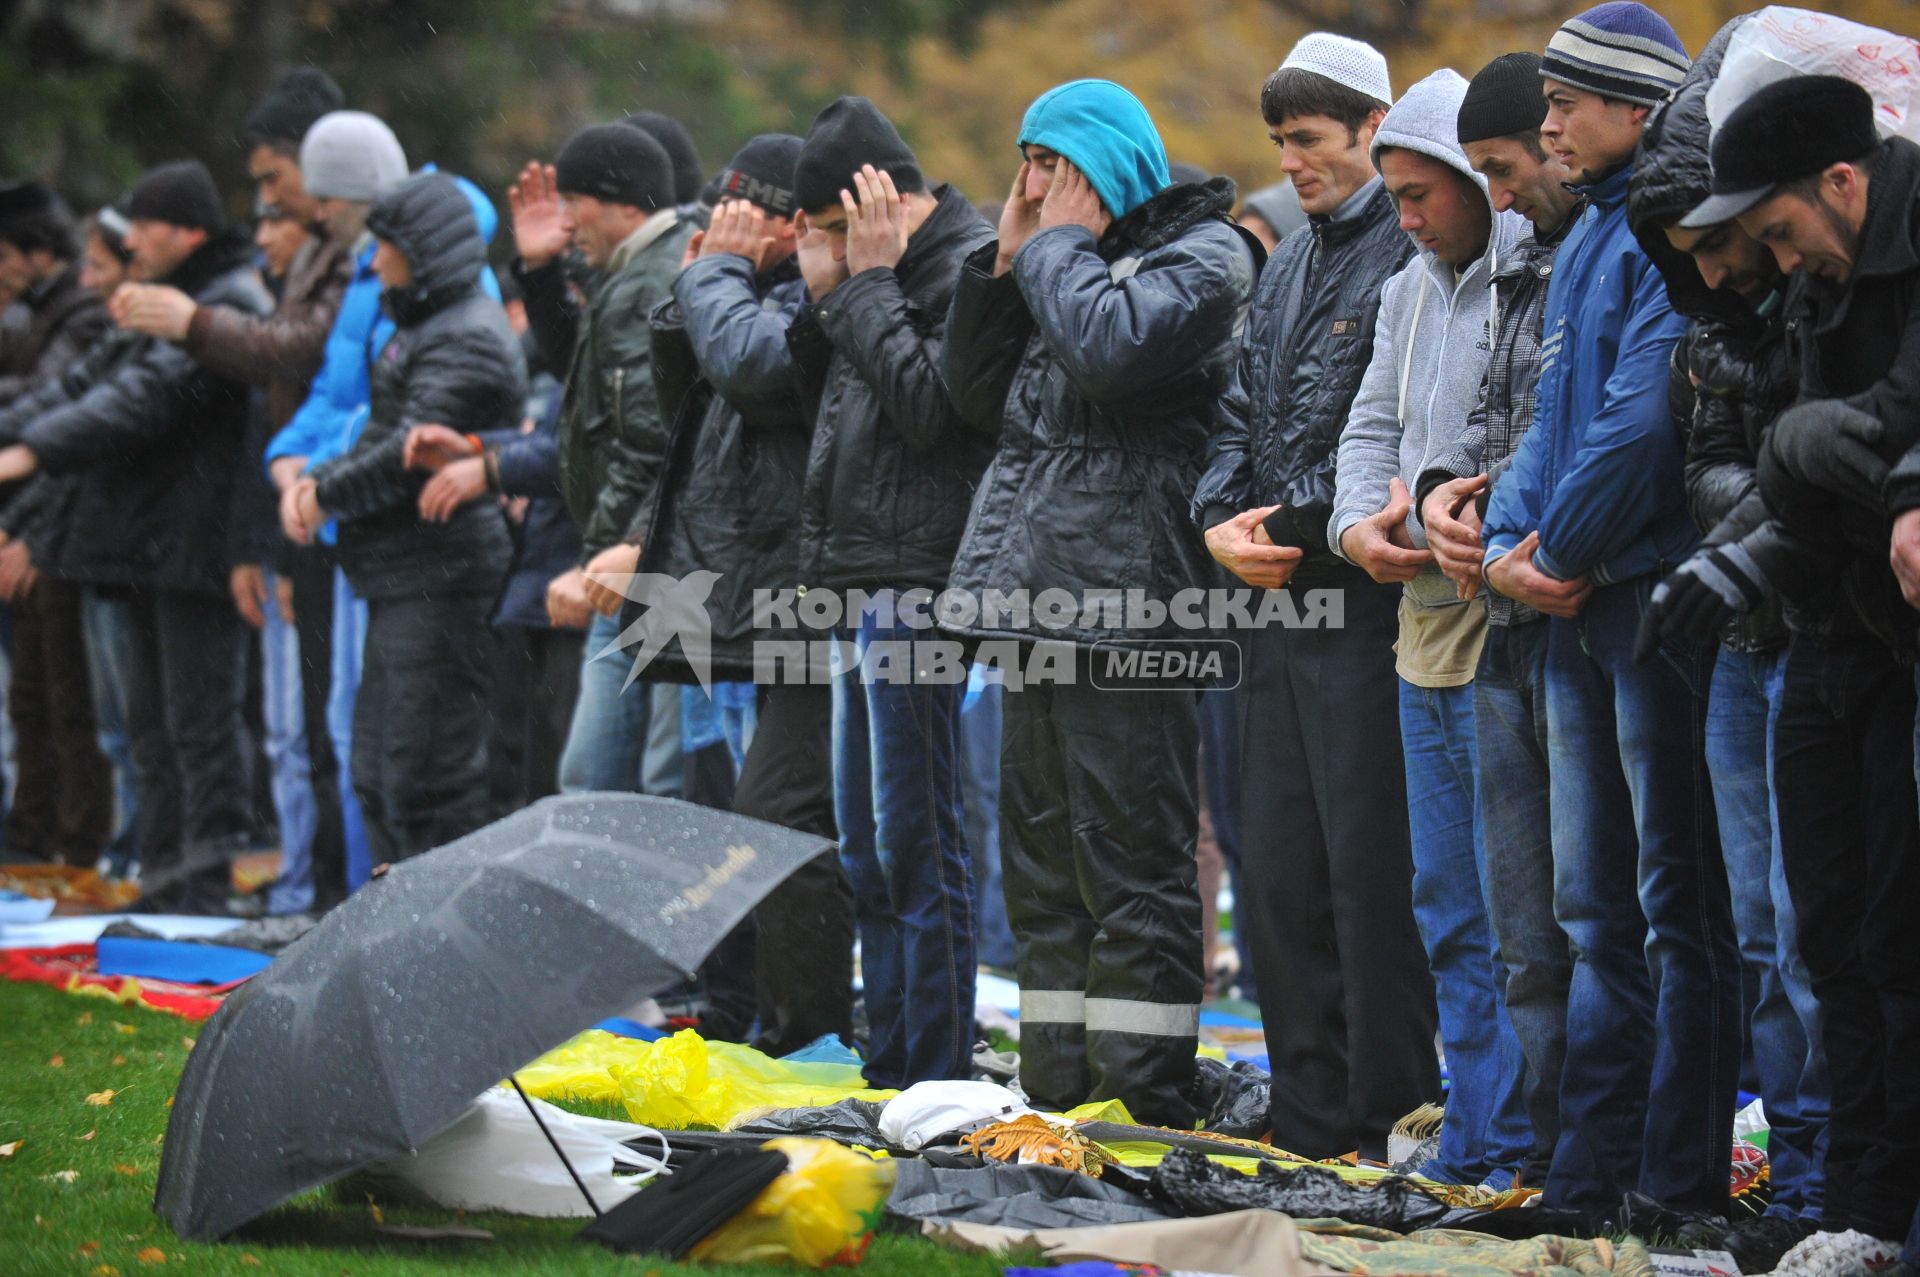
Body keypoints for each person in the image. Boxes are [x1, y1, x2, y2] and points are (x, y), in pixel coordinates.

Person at [941, 79, 1257, 1124]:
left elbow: (1114, 356)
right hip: (1034, 603)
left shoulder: (1202, 256)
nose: (1031, 184)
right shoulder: (1053, 260)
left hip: (1132, 607)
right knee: (1041, 865)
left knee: (1134, 862)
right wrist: (1004, 263)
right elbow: (975, 399)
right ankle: (1057, 1090)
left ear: (1108, 167)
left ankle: (1144, 1095)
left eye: (1052, 163)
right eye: (1024, 160)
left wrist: (1055, 253)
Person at [1478, 4, 1736, 1220]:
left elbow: (1646, 416)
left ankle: (1674, 1181)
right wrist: (1499, 549)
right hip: (1576, 597)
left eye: (1570, 102)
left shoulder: (1661, 222)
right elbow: (1547, 416)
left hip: (1648, 600)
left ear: (1636, 106)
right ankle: (1590, 1178)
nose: (1550, 124)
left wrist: (1552, 552)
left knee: (1674, 905)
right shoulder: (1586, 230)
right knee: (1594, 910)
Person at [1675, 73, 1920, 1270]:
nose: (1777, 261)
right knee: (1827, 937)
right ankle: (1860, 1214)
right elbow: (1813, 469)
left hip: (1903, 643)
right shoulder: (1826, 281)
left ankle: (1893, 1213)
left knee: (1896, 938)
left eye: (1777, 231)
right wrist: (1741, 566)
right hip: (1834, 627)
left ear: (1843, 182)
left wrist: (1820, 449)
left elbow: (1871, 431)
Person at [1194, 32, 1437, 1162]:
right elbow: (1234, 414)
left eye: (1308, 140)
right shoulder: (1287, 260)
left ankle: (1386, 1113)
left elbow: (1371, 436)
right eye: (1280, 143)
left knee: (1367, 875)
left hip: (1363, 606)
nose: (1289, 162)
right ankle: (1305, 1117)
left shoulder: (1412, 248)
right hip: (1270, 604)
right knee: (1278, 876)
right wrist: (1215, 522)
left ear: (1372, 131)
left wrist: (1274, 527)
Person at [1624, 33, 1828, 1269]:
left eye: (1711, 242)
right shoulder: (1707, 313)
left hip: (1814, 626)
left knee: (1815, 933)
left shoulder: (1820, 288)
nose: (1702, 271)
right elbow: (1705, 446)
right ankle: (1800, 1176)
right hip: (1742, 630)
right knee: (1760, 931)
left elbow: (1824, 447)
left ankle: (1839, 1177)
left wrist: (1749, 527)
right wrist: (1744, 521)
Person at [1328, 67, 1532, 1189]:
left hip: (1504, 619)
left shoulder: (1528, 273)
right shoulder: (1408, 289)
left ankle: (1525, 1138)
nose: (1404, 219)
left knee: (1518, 909)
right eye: (1394, 196)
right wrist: (1362, 525)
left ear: (1474, 179)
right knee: (1444, 899)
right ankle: (1480, 1135)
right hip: (1418, 619)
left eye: (1420, 195)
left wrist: (1472, 505)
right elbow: (1369, 426)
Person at [622, 133, 858, 1056]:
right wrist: (699, 287)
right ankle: (767, 1021)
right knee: (749, 820)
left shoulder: (818, 286)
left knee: (783, 820)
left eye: (740, 211)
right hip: (745, 597)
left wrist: (715, 277)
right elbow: (682, 395)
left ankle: (810, 1039)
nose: (722, 226)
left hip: (814, 596)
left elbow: (765, 372)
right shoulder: (742, 286)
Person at [783, 95, 992, 1088]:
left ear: (882, 199)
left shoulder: (966, 264)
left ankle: (938, 1069)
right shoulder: (870, 275)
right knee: (866, 847)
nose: (830, 246)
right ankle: (892, 1058)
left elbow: (931, 417)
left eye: (833, 226)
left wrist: (861, 285)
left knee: (920, 842)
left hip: (922, 583)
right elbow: (803, 406)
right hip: (858, 580)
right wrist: (829, 289)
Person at [0, 160, 273, 914]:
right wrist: (14, 435)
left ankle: (205, 889)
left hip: (196, 551)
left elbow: (144, 398)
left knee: (199, 730)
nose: (131, 239)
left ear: (186, 230)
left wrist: (31, 452)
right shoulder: (173, 298)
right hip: (146, 547)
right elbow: (84, 386)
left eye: (144, 225)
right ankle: (163, 880)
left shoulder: (223, 305)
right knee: (151, 734)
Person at [115, 66, 352, 915]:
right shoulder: (302, 267)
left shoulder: (313, 271)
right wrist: (262, 534)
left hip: (327, 529)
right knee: (289, 736)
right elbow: (280, 417)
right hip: (282, 524)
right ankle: (292, 890)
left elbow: (292, 364)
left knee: (327, 736)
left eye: (272, 190)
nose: (266, 221)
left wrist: (193, 325)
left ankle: (317, 893)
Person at [1416, 49, 1585, 1190]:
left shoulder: (1591, 257)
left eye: (1504, 167)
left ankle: (1592, 1159)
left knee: (1606, 918)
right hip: (1494, 610)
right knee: (1505, 917)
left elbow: (1613, 425)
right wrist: (1436, 494)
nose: (1509, 191)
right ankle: (1513, 1149)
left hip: (1576, 608)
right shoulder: (1519, 272)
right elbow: (1465, 422)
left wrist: (1527, 532)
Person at [290, 171, 524, 862]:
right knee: (378, 769)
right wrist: (321, 479)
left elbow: (409, 449)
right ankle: (398, 938)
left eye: (384, 245)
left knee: (426, 776)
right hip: (403, 576)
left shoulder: (466, 336)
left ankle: (440, 949)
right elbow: (385, 429)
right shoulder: (416, 324)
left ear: (420, 250)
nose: (372, 260)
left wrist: (324, 493)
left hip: (442, 576)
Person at [508, 122, 694, 799]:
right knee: (615, 781)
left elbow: (657, 443)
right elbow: (588, 393)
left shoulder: (652, 282)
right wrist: (539, 272)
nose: (564, 221)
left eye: (574, 201)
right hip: (638, 557)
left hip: (652, 568)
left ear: (623, 202)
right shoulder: (627, 276)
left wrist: (614, 553)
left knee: (618, 783)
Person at [262, 108, 411, 892]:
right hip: (334, 521)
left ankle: (364, 899)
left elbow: (389, 414)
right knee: (336, 723)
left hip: (381, 531)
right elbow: (330, 394)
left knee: (370, 731)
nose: (314, 214)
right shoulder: (360, 274)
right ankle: (345, 895)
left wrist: (317, 474)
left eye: (329, 200)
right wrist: (290, 460)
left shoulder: (405, 275)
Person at [0, 181, 112, 868]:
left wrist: (31, 531)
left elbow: (60, 413)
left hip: (62, 539)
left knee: (75, 709)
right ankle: (36, 839)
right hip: (35, 531)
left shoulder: (81, 316)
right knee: (34, 702)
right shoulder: (34, 314)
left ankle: (75, 849)